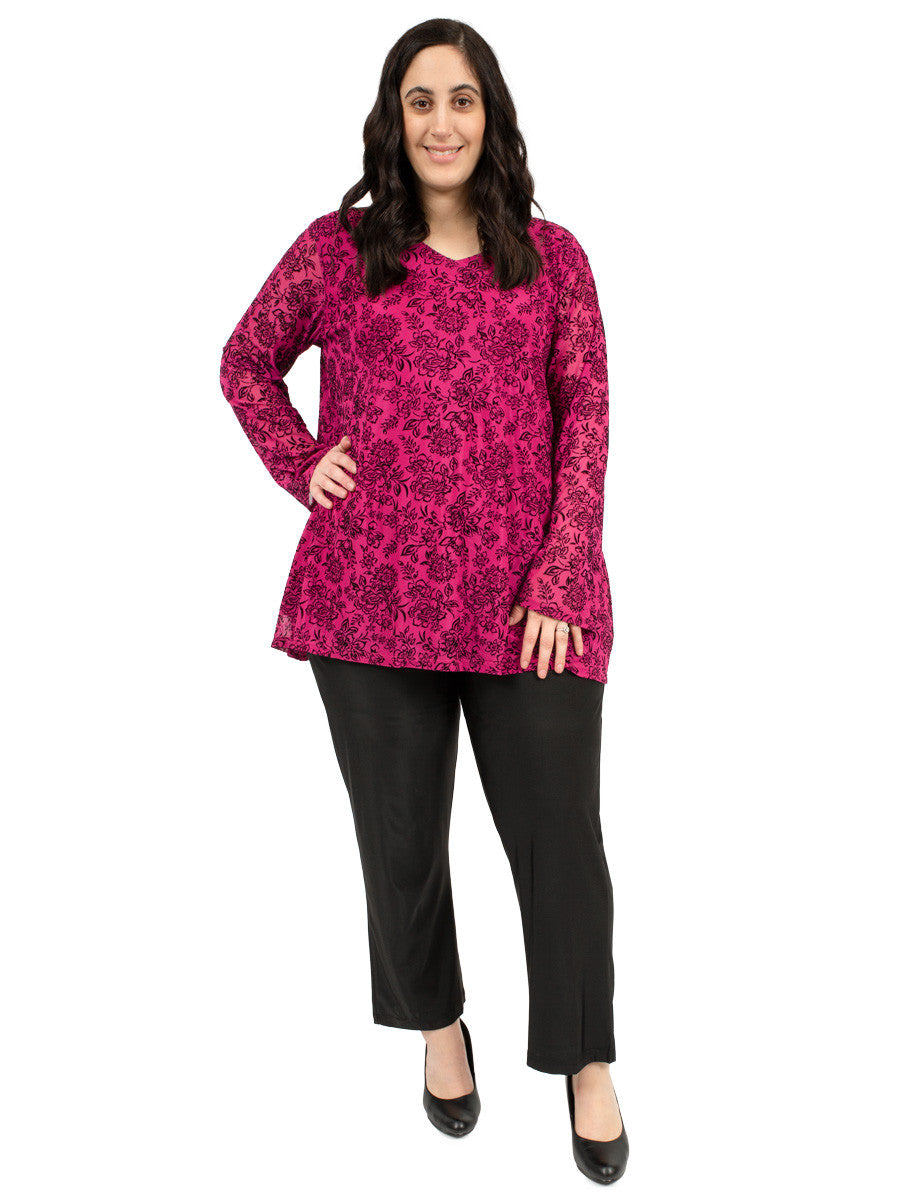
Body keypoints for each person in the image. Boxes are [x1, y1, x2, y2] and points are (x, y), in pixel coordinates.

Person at [219, 18, 628, 1186]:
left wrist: (563, 569)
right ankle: (439, 1026)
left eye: (461, 99)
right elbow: (246, 361)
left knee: (560, 844)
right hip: (370, 597)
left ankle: (585, 1057)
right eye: (419, 101)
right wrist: (302, 463)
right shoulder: (336, 251)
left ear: (490, 116)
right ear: (392, 121)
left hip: (530, 606)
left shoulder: (553, 258)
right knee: (400, 841)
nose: (441, 123)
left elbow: (587, 414)